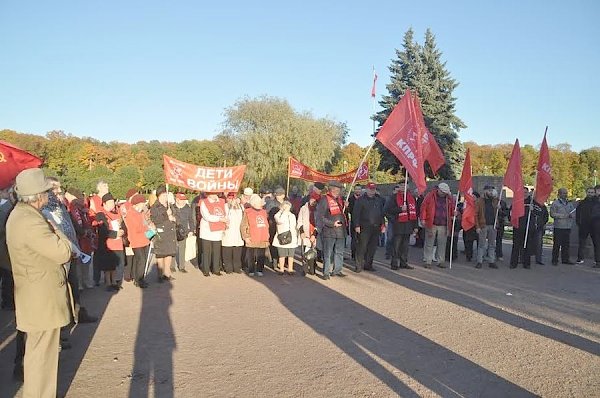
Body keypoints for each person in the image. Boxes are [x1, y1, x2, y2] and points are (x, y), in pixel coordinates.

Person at [6, 168, 73, 398]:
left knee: (38, 355)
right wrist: (57, 230)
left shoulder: (20, 215)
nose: (49, 195)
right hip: (41, 297)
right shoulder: (30, 220)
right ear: (38, 196)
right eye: (46, 191)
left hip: (33, 294)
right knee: (42, 358)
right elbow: (62, 252)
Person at [316, 181, 347, 279]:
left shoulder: (341, 200)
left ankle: (337, 270)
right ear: (331, 189)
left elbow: (343, 215)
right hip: (329, 231)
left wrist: (347, 206)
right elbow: (320, 217)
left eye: (338, 190)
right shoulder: (325, 200)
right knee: (328, 253)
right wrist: (332, 223)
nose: (337, 191)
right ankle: (326, 272)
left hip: (341, 231)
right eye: (335, 189)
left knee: (339, 252)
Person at [65, 187, 95, 289]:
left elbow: (87, 222)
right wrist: (84, 232)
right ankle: (80, 283)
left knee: (86, 261)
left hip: (86, 239)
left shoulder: (83, 210)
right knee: (79, 262)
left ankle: (85, 281)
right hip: (79, 238)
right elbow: (76, 223)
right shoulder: (72, 209)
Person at [420, 183, 455, 269]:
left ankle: (441, 261)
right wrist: (423, 219)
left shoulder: (449, 198)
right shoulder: (430, 196)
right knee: (429, 243)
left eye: (445, 192)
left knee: (442, 243)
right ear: (439, 190)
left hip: (444, 224)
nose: (443, 194)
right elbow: (424, 207)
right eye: (442, 192)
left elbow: (452, 208)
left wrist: (454, 213)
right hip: (432, 222)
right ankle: (427, 260)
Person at [510, 188, 547, 269]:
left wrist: (533, 210)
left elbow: (540, 212)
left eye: (526, 192)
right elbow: (510, 213)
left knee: (528, 246)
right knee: (516, 246)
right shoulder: (517, 201)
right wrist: (512, 221)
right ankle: (513, 263)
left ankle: (527, 263)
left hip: (529, 228)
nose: (525, 194)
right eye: (523, 192)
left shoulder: (533, 202)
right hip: (518, 227)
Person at [95, 193, 125, 291]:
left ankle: (114, 281)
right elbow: (103, 230)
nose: (113, 204)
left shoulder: (116, 212)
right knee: (108, 265)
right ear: (104, 203)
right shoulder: (100, 214)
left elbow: (123, 224)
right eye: (110, 202)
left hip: (117, 242)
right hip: (108, 243)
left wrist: (122, 230)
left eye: (113, 202)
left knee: (115, 264)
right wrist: (115, 234)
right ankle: (108, 282)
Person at [384, 181, 418, 270]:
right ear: (398, 187)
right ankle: (394, 263)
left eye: (405, 185)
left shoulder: (411, 198)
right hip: (398, 225)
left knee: (405, 246)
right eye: (401, 185)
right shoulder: (393, 197)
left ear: (408, 187)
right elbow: (387, 211)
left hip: (408, 225)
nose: (403, 187)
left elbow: (415, 212)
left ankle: (403, 262)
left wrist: (415, 226)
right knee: (396, 245)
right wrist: (399, 209)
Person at [353, 182, 385, 272]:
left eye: (373, 189)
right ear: (366, 189)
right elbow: (356, 214)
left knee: (372, 247)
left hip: (376, 227)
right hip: (364, 227)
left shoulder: (379, 200)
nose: (372, 191)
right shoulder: (361, 200)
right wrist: (356, 225)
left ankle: (368, 264)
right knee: (362, 247)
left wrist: (383, 225)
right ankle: (358, 265)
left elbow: (381, 213)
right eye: (370, 189)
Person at [123, 194, 151, 288]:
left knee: (140, 260)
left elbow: (145, 224)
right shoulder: (131, 214)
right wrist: (147, 228)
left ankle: (138, 278)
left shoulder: (141, 213)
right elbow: (136, 228)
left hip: (144, 240)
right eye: (143, 203)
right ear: (138, 203)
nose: (144, 205)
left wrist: (148, 227)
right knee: (141, 260)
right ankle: (139, 279)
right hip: (136, 241)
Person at [150, 185, 176, 282]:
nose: (166, 197)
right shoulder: (155, 206)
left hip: (170, 231)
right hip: (161, 233)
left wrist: (173, 218)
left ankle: (167, 273)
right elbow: (156, 219)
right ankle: (160, 274)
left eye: (166, 195)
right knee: (161, 254)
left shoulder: (170, 205)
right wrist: (167, 215)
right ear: (159, 195)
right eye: (164, 195)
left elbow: (175, 214)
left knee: (169, 253)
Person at [199, 191, 227, 276]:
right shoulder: (204, 202)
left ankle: (216, 269)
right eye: (212, 193)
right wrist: (220, 219)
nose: (215, 195)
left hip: (218, 230)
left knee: (216, 251)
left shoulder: (222, 201)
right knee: (207, 251)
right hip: (207, 230)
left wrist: (226, 220)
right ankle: (206, 270)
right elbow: (206, 216)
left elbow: (226, 213)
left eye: (216, 193)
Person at [240, 194, 270, 276]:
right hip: (252, 236)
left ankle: (260, 269)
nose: (261, 204)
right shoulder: (248, 212)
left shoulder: (264, 212)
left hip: (262, 236)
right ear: (254, 203)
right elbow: (243, 225)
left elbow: (266, 224)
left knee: (261, 255)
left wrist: (267, 235)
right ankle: (251, 270)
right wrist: (245, 236)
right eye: (259, 202)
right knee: (251, 255)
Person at [475, 185, 499, 269]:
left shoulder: (495, 201)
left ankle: (491, 261)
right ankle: (479, 261)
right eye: (489, 190)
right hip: (483, 225)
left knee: (492, 244)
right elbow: (476, 214)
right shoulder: (479, 201)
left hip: (493, 225)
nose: (491, 192)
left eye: (491, 190)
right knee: (481, 244)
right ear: (485, 191)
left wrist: (499, 208)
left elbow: (500, 209)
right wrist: (477, 226)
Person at [550, 188, 576, 265]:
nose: (565, 195)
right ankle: (554, 260)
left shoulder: (569, 203)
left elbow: (573, 212)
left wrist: (572, 215)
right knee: (557, 244)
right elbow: (552, 214)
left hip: (567, 226)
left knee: (566, 244)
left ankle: (565, 259)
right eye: (564, 193)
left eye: (566, 193)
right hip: (559, 226)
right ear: (559, 194)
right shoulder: (555, 203)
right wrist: (563, 216)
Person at [297, 191, 320, 275]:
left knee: (313, 251)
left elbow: (319, 223)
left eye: (315, 200)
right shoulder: (303, 208)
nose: (313, 201)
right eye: (312, 199)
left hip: (314, 232)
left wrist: (314, 234)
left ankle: (312, 267)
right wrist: (301, 232)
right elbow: (299, 221)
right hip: (305, 233)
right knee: (304, 252)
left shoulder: (319, 210)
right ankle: (304, 268)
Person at [273, 200, 299, 275]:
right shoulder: (278, 215)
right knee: (282, 255)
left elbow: (294, 226)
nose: (287, 208)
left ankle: (290, 269)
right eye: (285, 207)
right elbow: (280, 221)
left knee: (291, 255)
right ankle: (281, 269)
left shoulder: (292, 215)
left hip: (292, 238)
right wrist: (283, 212)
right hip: (282, 237)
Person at [0, 185, 15, 310]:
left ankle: (7, 301)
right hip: (4, 244)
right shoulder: (6, 207)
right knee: (8, 275)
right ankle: (8, 301)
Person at [173, 192, 196, 272]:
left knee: (182, 249)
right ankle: (172, 266)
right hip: (173, 230)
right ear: (177, 199)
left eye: (184, 200)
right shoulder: (172, 208)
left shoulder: (187, 208)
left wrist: (192, 230)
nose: (183, 201)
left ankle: (181, 267)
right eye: (181, 199)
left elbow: (191, 220)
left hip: (183, 231)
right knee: (173, 248)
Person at [222, 192, 244, 274]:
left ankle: (237, 267)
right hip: (228, 231)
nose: (232, 200)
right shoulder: (225, 206)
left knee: (237, 251)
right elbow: (226, 216)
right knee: (227, 250)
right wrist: (231, 206)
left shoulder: (241, 207)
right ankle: (228, 268)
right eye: (230, 198)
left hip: (238, 232)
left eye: (233, 198)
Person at [266, 186, 287, 267]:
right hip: (273, 226)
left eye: (279, 194)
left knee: (283, 243)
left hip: (284, 227)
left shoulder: (287, 203)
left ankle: (282, 260)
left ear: (283, 195)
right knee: (274, 244)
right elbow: (267, 214)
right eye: (276, 194)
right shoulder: (271, 203)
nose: (277, 196)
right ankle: (274, 261)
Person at [575, 187, 596, 264]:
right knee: (582, 243)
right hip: (584, 225)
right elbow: (578, 213)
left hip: (595, 226)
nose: (590, 194)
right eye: (589, 192)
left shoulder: (597, 203)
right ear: (586, 193)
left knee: (596, 243)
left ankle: (597, 260)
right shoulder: (582, 203)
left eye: (592, 192)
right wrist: (578, 223)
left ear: (594, 193)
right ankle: (580, 258)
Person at [347, 184, 363, 260]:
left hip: (363, 222)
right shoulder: (350, 199)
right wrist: (346, 207)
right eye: (356, 189)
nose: (358, 191)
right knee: (354, 239)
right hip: (353, 222)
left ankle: (360, 255)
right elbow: (348, 211)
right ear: (354, 190)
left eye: (359, 189)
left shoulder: (363, 199)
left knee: (361, 240)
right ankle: (353, 254)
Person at [495, 190, 509, 261]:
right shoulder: (487, 202)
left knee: (499, 239)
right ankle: (488, 253)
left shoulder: (502, 203)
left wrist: (500, 209)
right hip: (490, 223)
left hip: (500, 223)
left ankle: (499, 254)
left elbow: (506, 213)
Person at [590, 185, 600, 268]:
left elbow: (594, 213)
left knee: (597, 244)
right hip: (595, 225)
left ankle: (598, 261)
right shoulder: (594, 200)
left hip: (596, 224)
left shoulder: (596, 201)